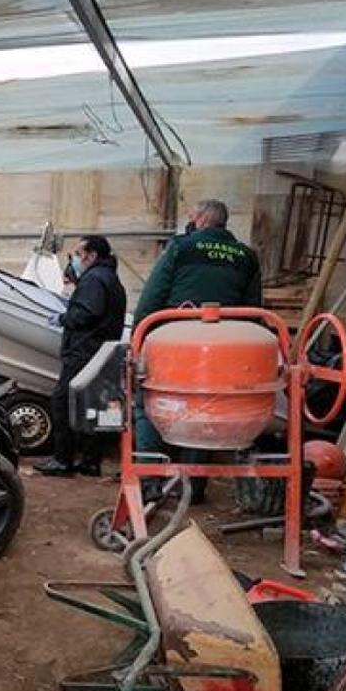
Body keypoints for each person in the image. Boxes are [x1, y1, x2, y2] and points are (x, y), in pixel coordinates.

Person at [132, 199, 262, 502]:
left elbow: (152, 297)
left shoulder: (181, 248)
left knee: (148, 406)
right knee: (205, 411)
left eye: (191, 216)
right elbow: (254, 310)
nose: (189, 222)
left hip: (175, 343)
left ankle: (150, 481)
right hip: (223, 350)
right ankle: (193, 487)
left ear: (202, 219)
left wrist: (139, 336)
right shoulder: (247, 256)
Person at [37, 235, 127, 477]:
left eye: (78, 253)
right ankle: (90, 461)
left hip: (84, 350)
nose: (75, 258)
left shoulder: (94, 279)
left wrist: (63, 318)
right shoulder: (110, 278)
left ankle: (62, 459)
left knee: (62, 400)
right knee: (92, 405)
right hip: (100, 351)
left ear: (92, 255)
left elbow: (87, 313)